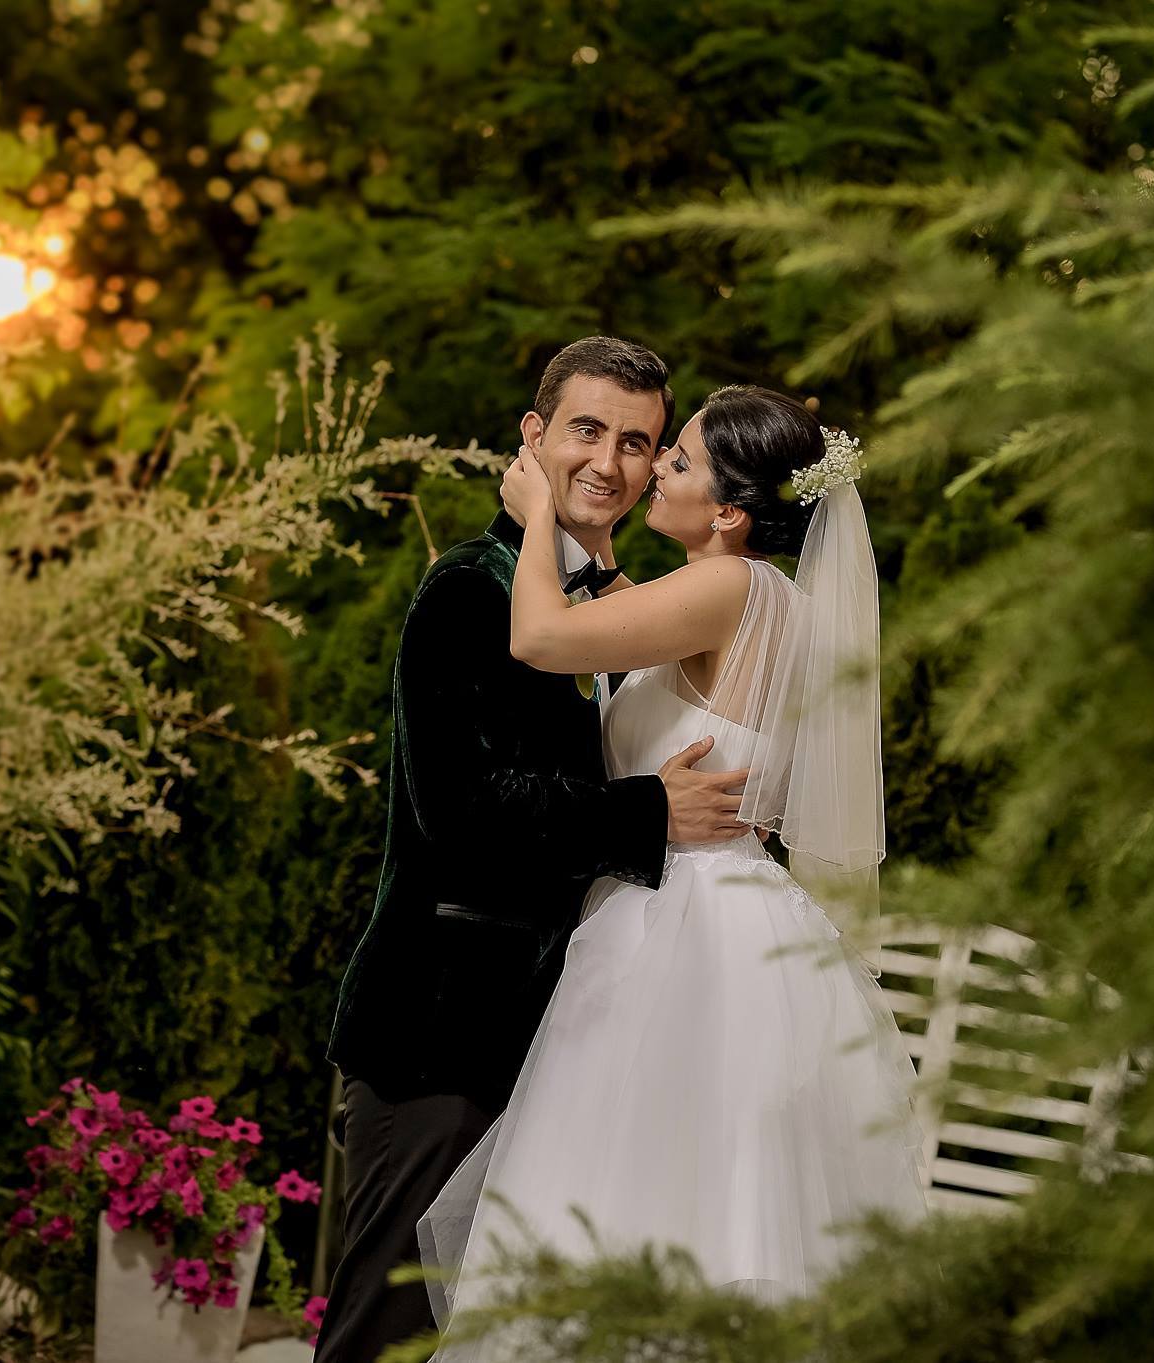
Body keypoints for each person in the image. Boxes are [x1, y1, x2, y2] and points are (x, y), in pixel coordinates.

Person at [416, 385, 932, 1358]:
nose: (656, 466)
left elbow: (540, 635)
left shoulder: (726, 588)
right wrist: (596, 557)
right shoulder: (761, 601)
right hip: (733, 911)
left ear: (730, 513)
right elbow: (619, 615)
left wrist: (537, 515)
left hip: (682, 927)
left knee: (635, 1191)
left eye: (680, 460)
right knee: (690, 1200)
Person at [314, 337, 754, 1363]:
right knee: (388, 1337)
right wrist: (649, 813)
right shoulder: (470, 590)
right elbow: (462, 812)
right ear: (534, 435)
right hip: (440, 1036)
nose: (608, 460)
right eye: (586, 430)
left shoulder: (610, 605)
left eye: (636, 442)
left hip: (552, 1048)